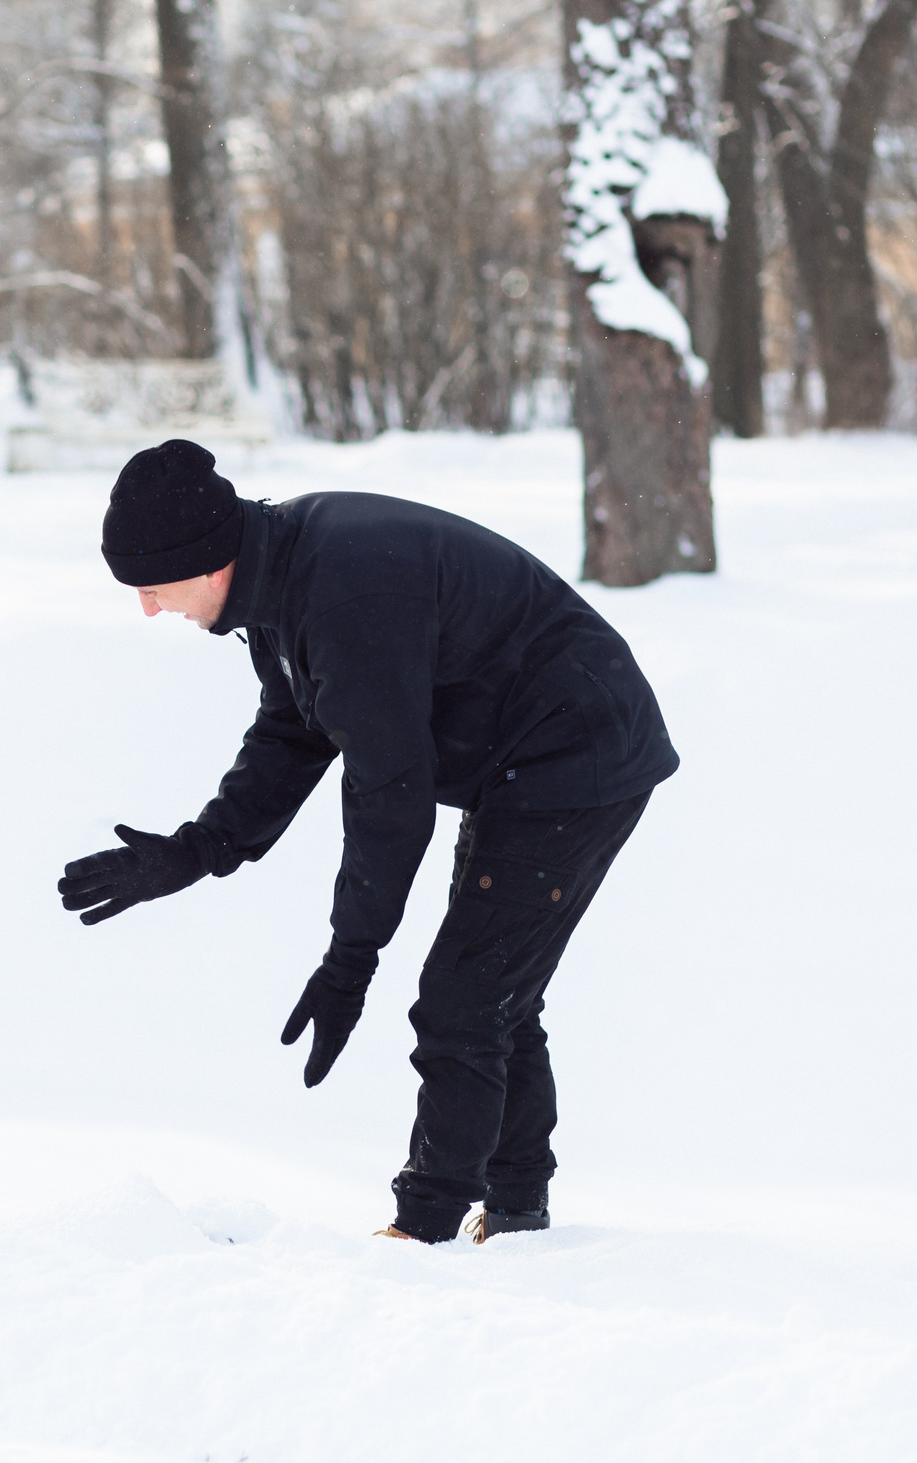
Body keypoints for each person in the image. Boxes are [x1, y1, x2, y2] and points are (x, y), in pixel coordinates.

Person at [59, 440, 677, 1244]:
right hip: (524, 756)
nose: (148, 608)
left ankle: (424, 1228)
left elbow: (390, 797)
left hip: (579, 747)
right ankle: (518, 1213)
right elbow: (294, 731)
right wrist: (196, 850)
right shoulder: (280, 576)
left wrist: (350, 960)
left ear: (204, 562)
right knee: (493, 988)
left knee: (465, 996)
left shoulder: (343, 595)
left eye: (150, 585)